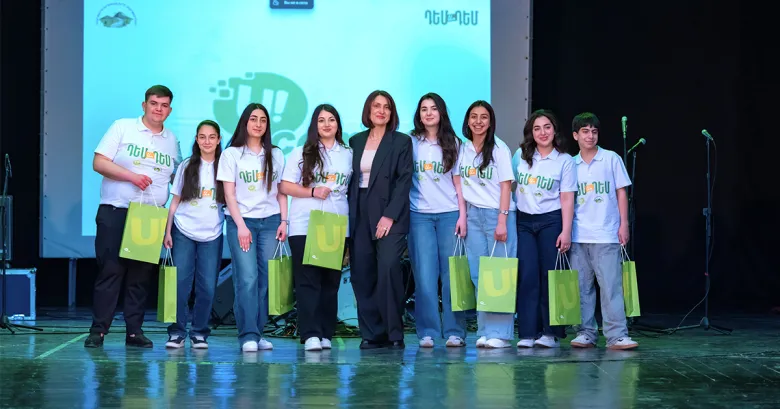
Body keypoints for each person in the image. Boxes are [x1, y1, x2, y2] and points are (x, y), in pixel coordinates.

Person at [85, 85, 182, 348]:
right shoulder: (122, 127)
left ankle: (134, 331)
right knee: (111, 270)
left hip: (150, 215)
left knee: (140, 276)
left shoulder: (172, 140)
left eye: (164, 105)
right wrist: (132, 177)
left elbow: (177, 177)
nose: (158, 109)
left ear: (170, 110)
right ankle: (98, 330)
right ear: (144, 105)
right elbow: (99, 162)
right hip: (116, 210)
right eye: (154, 103)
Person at [279, 104, 353, 351]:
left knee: (330, 282)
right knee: (308, 280)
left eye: (331, 119)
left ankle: (326, 333)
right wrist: (312, 192)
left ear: (338, 124)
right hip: (304, 224)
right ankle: (310, 333)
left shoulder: (348, 154)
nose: (327, 124)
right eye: (321, 120)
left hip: (335, 223)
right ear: (314, 125)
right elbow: (284, 186)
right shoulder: (301, 152)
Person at [217, 103, 288, 352]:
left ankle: (258, 333)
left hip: (271, 221)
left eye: (263, 120)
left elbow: (281, 192)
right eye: (254, 119)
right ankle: (247, 334)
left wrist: (284, 221)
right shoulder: (232, 154)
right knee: (247, 278)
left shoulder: (276, 154)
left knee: (265, 280)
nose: (258, 124)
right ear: (245, 122)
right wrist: (241, 226)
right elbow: (229, 195)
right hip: (241, 222)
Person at [347, 90, 413, 349]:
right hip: (359, 211)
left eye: (387, 107)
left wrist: (389, 216)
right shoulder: (355, 141)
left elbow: (404, 181)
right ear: (369, 110)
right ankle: (372, 333)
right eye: (377, 106)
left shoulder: (401, 142)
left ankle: (394, 333)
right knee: (362, 273)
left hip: (389, 212)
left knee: (388, 268)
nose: (381, 111)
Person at [568, 112, 638, 350]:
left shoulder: (611, 159)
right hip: (578, 235)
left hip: (606, 233)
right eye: (585, 131)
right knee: (581, 288)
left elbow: (621, 192)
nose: (590, 136)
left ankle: (617, 335)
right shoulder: (570, 164)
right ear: (575, 135)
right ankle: (585, 332)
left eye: (594, 131)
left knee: (611, 287)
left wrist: (624, 223)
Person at [408, 93, 468, 348]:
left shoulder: (454, 143)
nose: (429, 113)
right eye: (424, 109)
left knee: (452, 275)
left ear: (441, 112)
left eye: (433, 108)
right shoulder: (410, 142)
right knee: (424, 275)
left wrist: (463, 215)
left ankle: (455, 331)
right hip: (419, 215)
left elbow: (459, 184)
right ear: (419, 115)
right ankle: (428, 331)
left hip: (449, 214)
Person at [513, 109, 576, 348]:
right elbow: (508, 185)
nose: (542, 132)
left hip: (551, 221)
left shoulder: (565, 160)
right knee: (527, 276)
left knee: (551, 276)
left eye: (547, 127)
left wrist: (566, 231)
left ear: (554, 130)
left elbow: (567, 198)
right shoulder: (520, 156)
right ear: (531, 132)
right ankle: (528, 333)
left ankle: (550, 333)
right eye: (537, 128)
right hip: (524, 222)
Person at [458, 100, 517, 349]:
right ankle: (485, 330)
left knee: (499, 275)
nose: (478, 121)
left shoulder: (500, 148)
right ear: (467, 120)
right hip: (473, 215)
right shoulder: (463, 149)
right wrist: (463, 215)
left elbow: (506, 186)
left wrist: (502, 220)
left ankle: (501, 333)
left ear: (490, 121)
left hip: (497, 215)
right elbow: (459, 183)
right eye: (474, 116)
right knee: (479, 274)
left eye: (484, 117)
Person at [162, 120, 225, 349]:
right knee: (179, 284)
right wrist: (167, 231)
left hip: (213, 234)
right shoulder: (186, 165)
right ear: (196, 140)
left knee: (207, 286)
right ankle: (177, 332)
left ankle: (199, 332)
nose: (207, 141)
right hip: (183, 231)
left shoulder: (226, 166)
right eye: (202, 137)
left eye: (211, 137)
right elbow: (175, 201)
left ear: (218, 140)